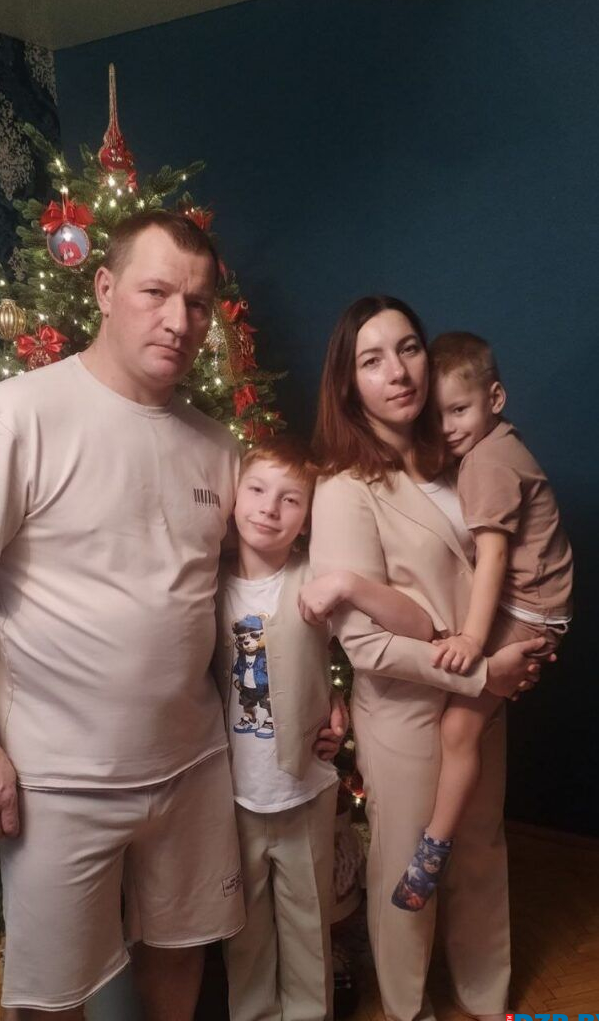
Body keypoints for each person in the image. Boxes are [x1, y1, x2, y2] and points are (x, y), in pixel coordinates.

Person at [0, 211, 247, 1021]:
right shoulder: (13, 417)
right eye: (156, 292)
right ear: (103, 288)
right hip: (59, 782)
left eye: (197, 303)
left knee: (181, 954)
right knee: (52, 998)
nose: (179, 320)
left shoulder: (218, 447)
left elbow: (241, 596)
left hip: (193, 762)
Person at [308, 294, 551, 1021]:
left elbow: (511, 565)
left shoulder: (464, 454)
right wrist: (480, 669)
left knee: (479, 849)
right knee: (408, 865)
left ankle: (486, 998)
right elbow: (364, 642)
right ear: (349, 383)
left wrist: (519, 647)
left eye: (408, 347)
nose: (398, 370)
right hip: (407, 714)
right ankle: (408, 1008)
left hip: (482, 699)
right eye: (372, 359)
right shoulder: (344, 488)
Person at [216, 436, 429, 1021]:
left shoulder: (315, 579)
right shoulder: (206, 582)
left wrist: (351, 587)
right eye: (256, 490)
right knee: (245, 932)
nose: (268, 508)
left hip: (303, 788)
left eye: (290, 499)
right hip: (229, 796)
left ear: (308, 518)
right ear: (234, 497)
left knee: (308, 923)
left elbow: (415, 624)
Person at [391, 331, 573, 911]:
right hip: (537, 605)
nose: (447, 428)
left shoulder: (486, 464)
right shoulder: (499, 445)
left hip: (528, 610)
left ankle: (432, 853)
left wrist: (474, 637)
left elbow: (492, 556)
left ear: (495, 398)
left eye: (459, 410)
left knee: (457, 728)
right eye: (437, 415)